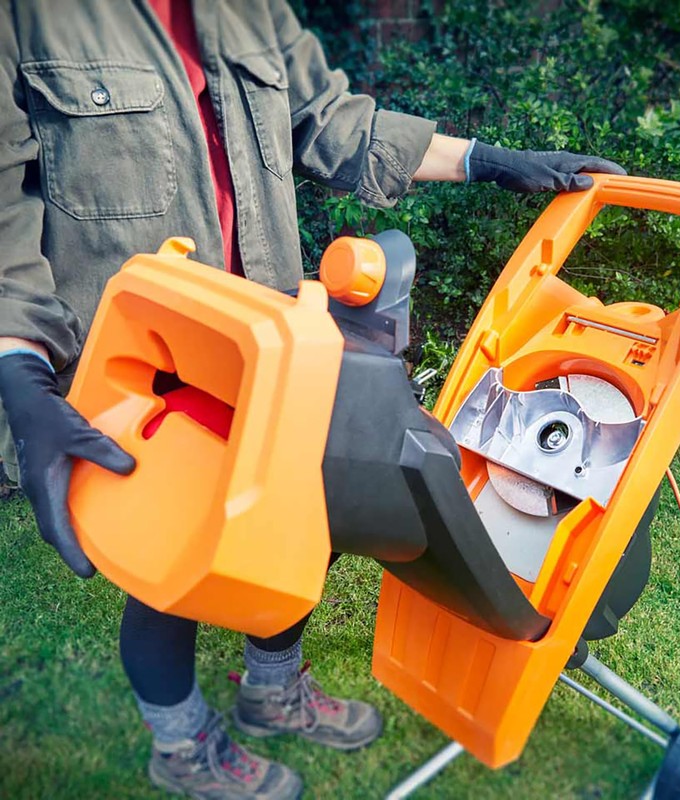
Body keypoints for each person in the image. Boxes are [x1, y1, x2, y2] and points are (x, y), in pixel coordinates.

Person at [0, 1, 626, 797]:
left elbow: (333, 121)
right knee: (168, 567)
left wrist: (490, 161)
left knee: (305, 515)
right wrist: (20, 373)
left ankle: (272, 690)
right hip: (152, 363)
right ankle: (181, 744)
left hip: (273, 352)